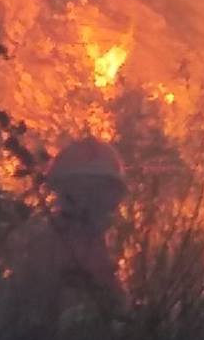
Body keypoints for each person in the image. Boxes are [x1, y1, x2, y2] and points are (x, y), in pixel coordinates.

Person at [9, 135, 129, 323]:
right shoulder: (43, 245)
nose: (92, 200)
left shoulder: (105, 245)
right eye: (84, 189)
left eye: (102, 191)